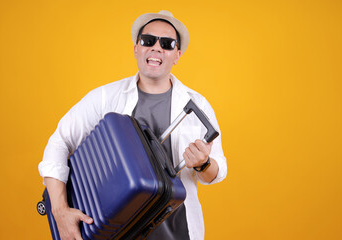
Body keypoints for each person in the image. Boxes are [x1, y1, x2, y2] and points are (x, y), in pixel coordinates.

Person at [38, 10, 227, 240]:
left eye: (167, 44)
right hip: (116, 230)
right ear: (136, 48)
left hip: (179, 233)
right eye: (148, 41)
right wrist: (59, 211)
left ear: (177, 54)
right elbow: (59, 142)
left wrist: (203, 164)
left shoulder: (198, 104)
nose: (157, 48)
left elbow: (217, 172)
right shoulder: (105, 98)